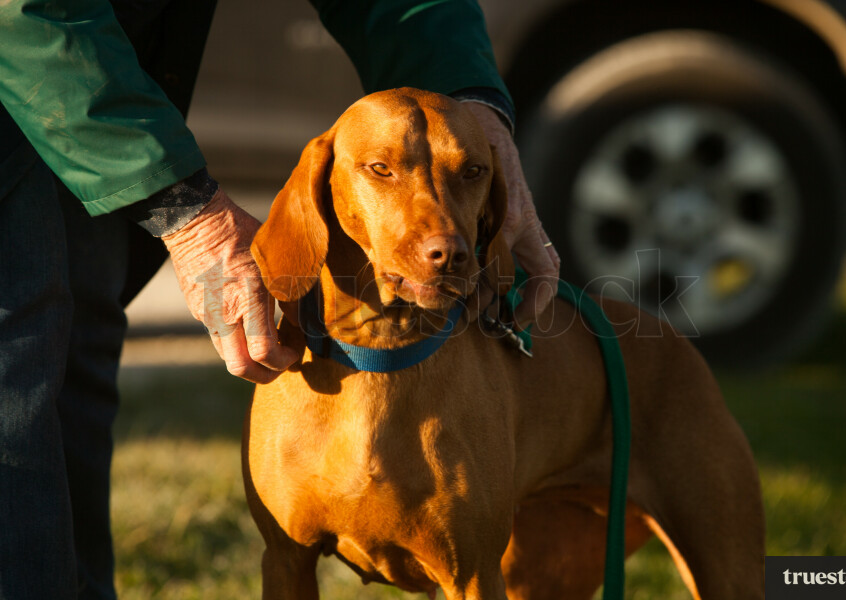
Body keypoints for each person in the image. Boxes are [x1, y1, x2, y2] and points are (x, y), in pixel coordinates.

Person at [0, 0, 560, 598]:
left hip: (98, 70)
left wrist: (472, 102)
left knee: (75, 350)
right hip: (30, 52)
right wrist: (188, 213)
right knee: (15, 359)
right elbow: (24, 12)